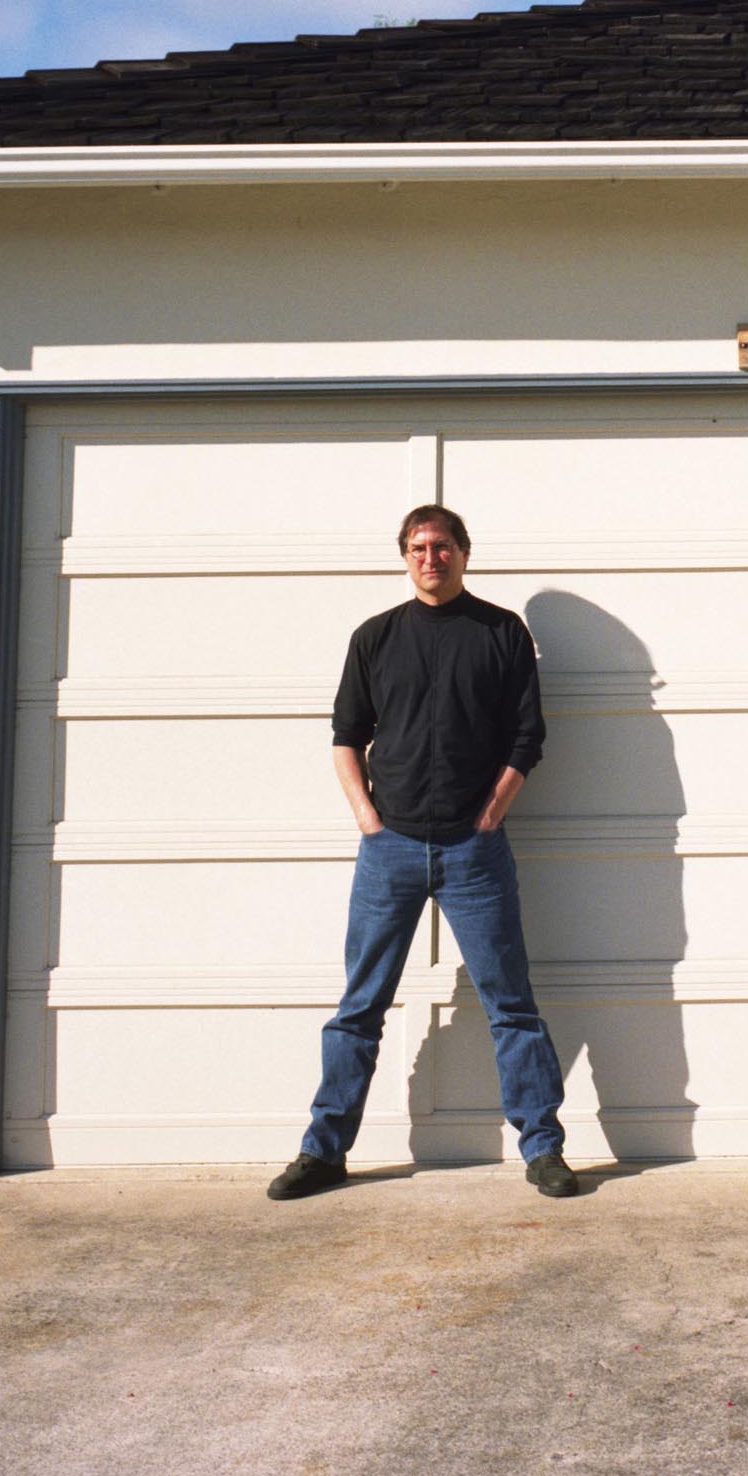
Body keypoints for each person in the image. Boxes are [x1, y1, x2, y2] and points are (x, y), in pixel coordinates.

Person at [267, 503, 580, 1199]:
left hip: (475, 852)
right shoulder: (375, 638)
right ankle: (323, 1152)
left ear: (465, 553)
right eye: (417, 548)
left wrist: (492, 812)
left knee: (512, 1005)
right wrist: (367, 819)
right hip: (391, 849)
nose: (430, 558)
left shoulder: (501, 633)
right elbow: (346, 735)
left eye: (441, 546)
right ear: (404, 557)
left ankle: (544, 1148)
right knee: (359, 1007)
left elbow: (527, 738)